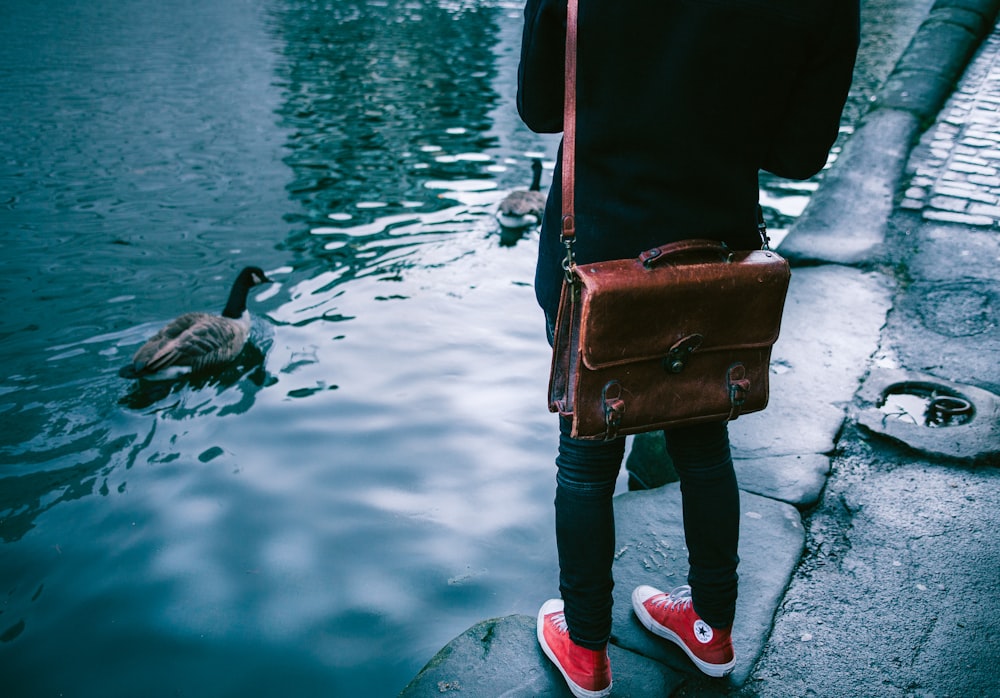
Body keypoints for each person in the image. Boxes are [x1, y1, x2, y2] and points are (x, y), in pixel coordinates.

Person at [517, 1, 860, 695]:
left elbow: (542, 108)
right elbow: (797, 156)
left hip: (598, 251)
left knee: (585, 457)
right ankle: (710, 628)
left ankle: (585, 647)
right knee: (704, 442)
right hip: (715, 250)